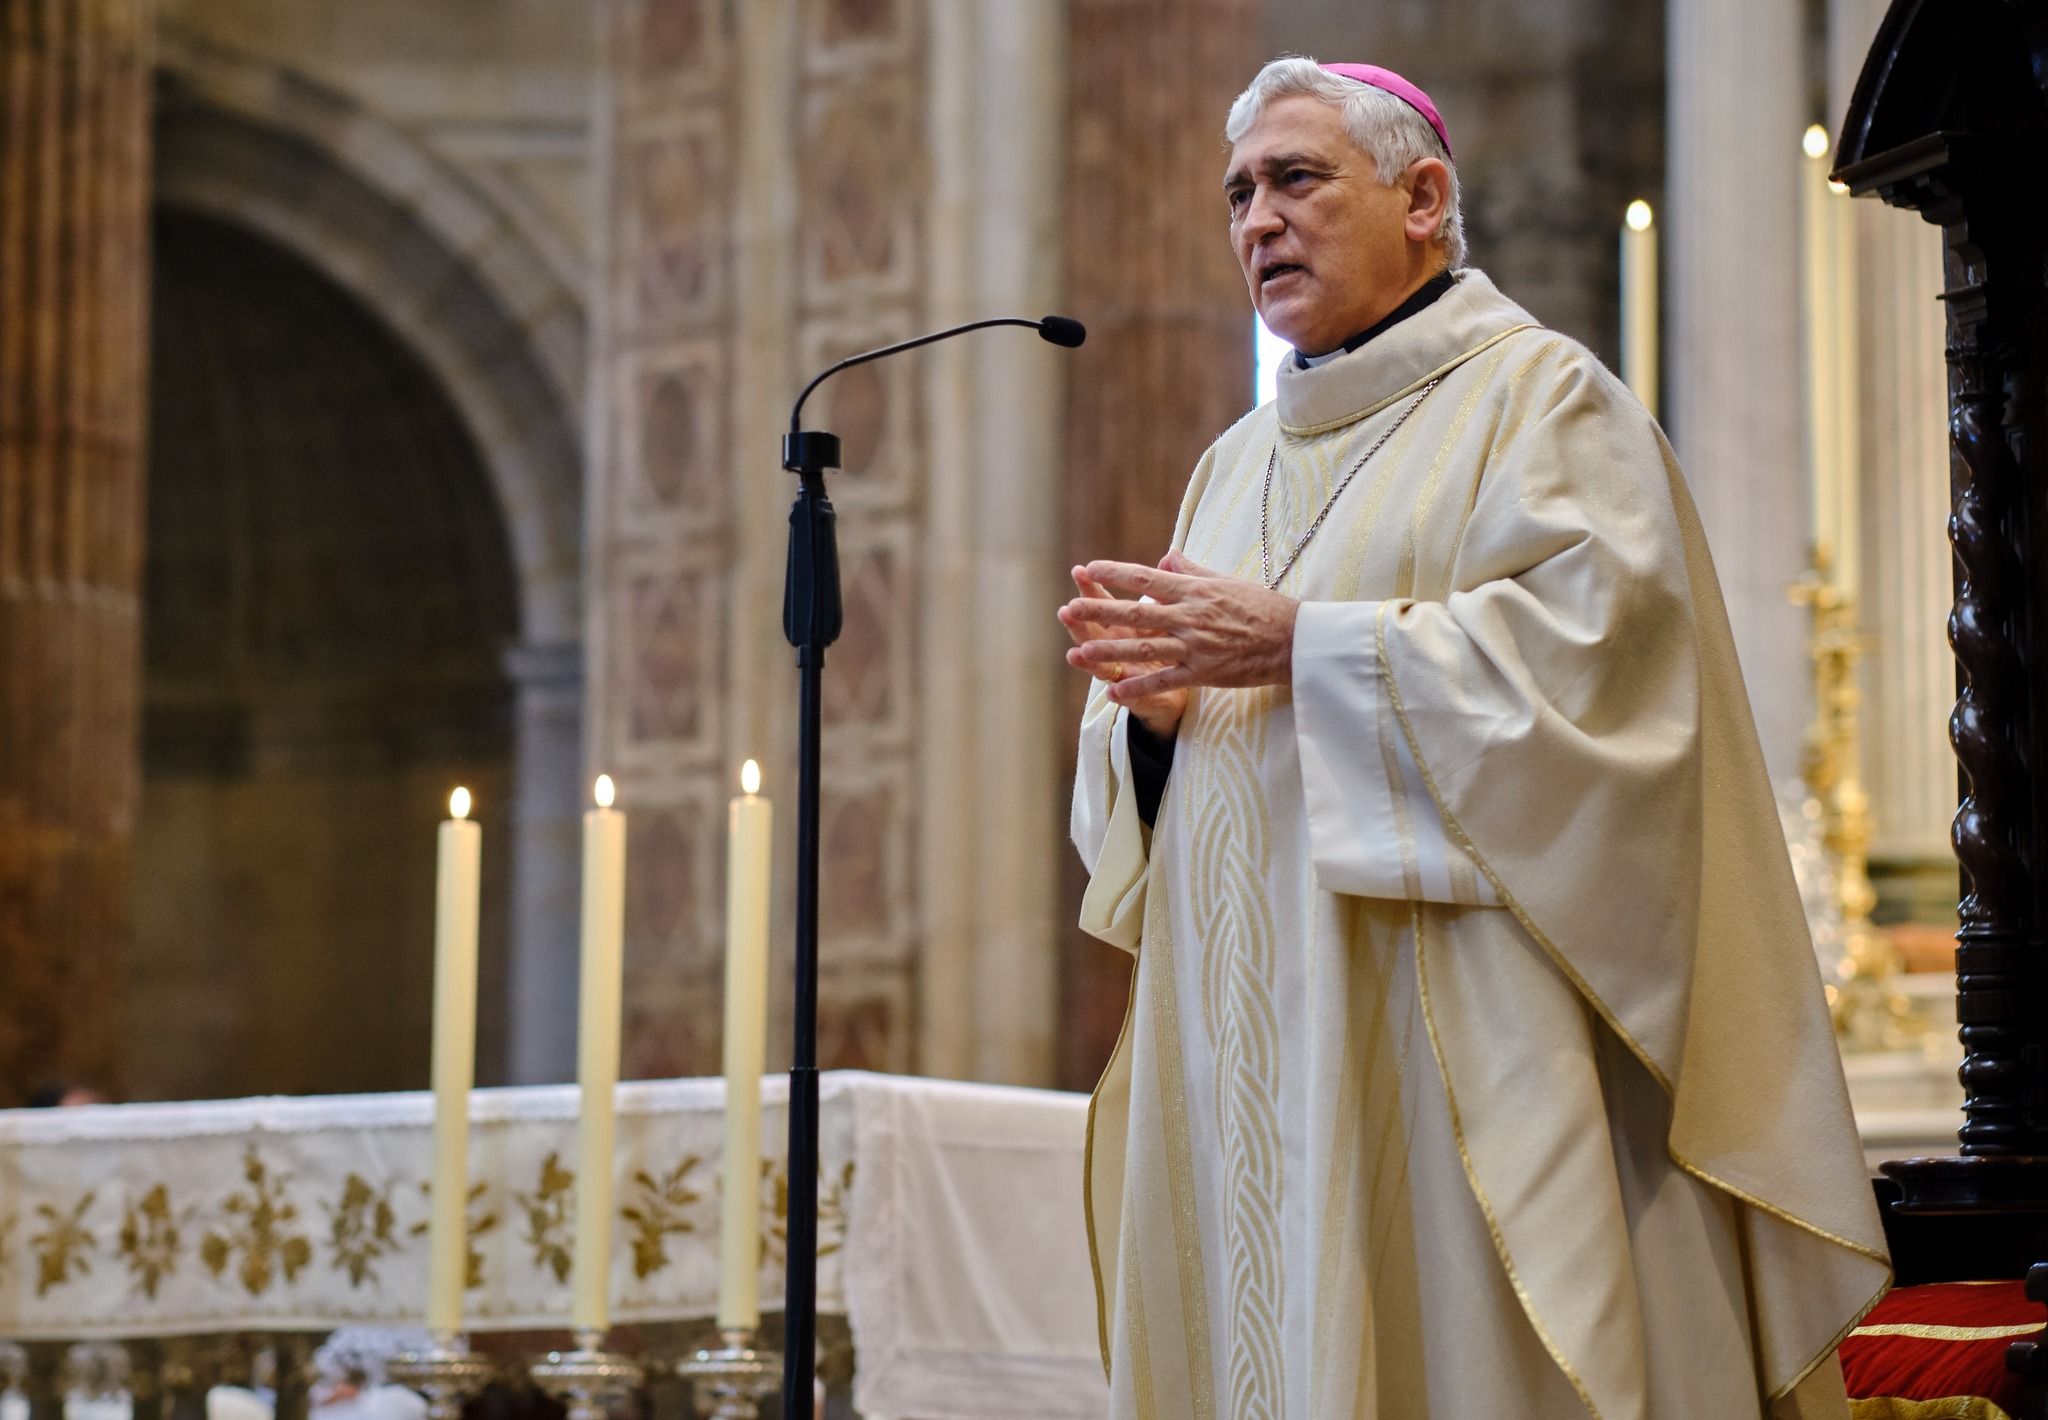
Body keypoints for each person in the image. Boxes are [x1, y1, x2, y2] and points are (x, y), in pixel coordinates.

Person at [1063, 56, 1889, 1419]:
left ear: (1425, 197)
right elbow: (1137, 800)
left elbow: (1604, 692)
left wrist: (1303, 647)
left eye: (1296, 180)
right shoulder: (1232, 465)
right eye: (1237, 195)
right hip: (1252, 1057)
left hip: (1447, 1055)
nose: (1256, 220)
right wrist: (1148, 733)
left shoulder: (1540, 403)